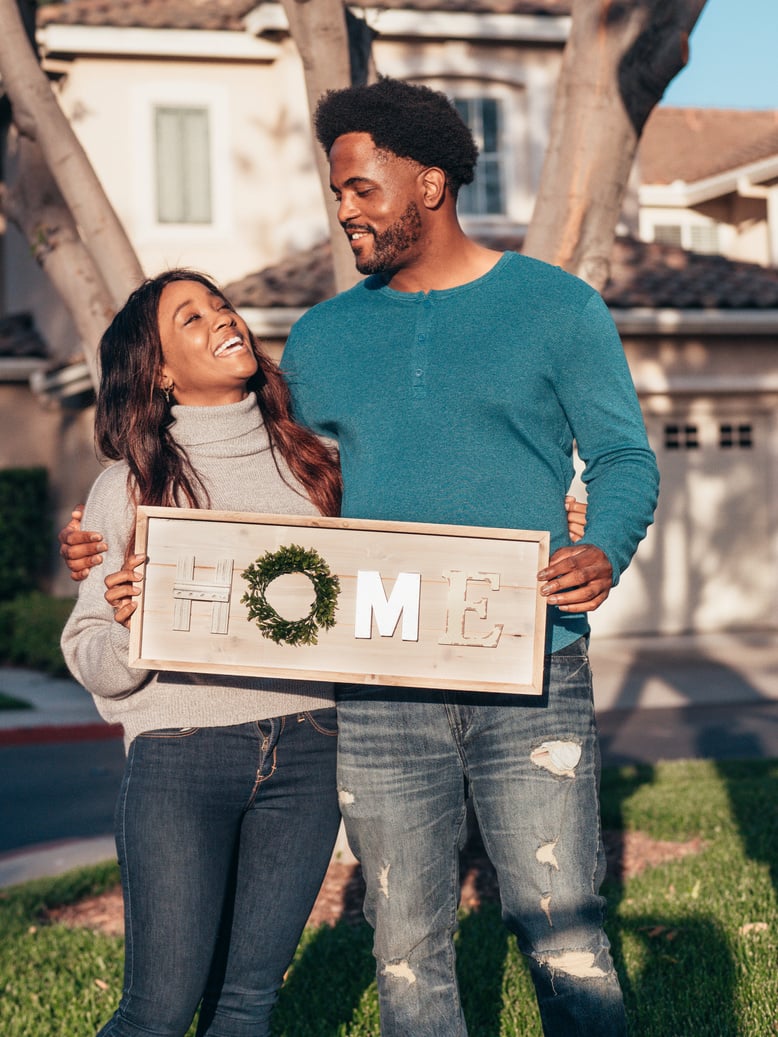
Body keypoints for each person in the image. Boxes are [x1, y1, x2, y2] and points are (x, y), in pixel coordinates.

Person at [61, 78, 658, 1036]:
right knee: (406, 950)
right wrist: (111, 537)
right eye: (335, 192)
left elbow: (624, 455)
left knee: (565, 934)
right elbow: (254, 477)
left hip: (535, 660)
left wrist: (603, 544)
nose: (343, 209)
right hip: (375, 692)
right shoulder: (323, 337)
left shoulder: (558, 307)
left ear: (429, 183)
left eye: (360, 188)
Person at [59, 270, 343, 1037]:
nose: (224, 318)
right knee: (158, 1009)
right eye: (191, 317)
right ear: (158, 368)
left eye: (220, 304)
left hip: (313, 746)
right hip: (181, 754)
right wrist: (128, 627)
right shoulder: (127, 488)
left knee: (248, 1004)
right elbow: (90, 651)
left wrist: (553, 509)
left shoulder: (318, 468)